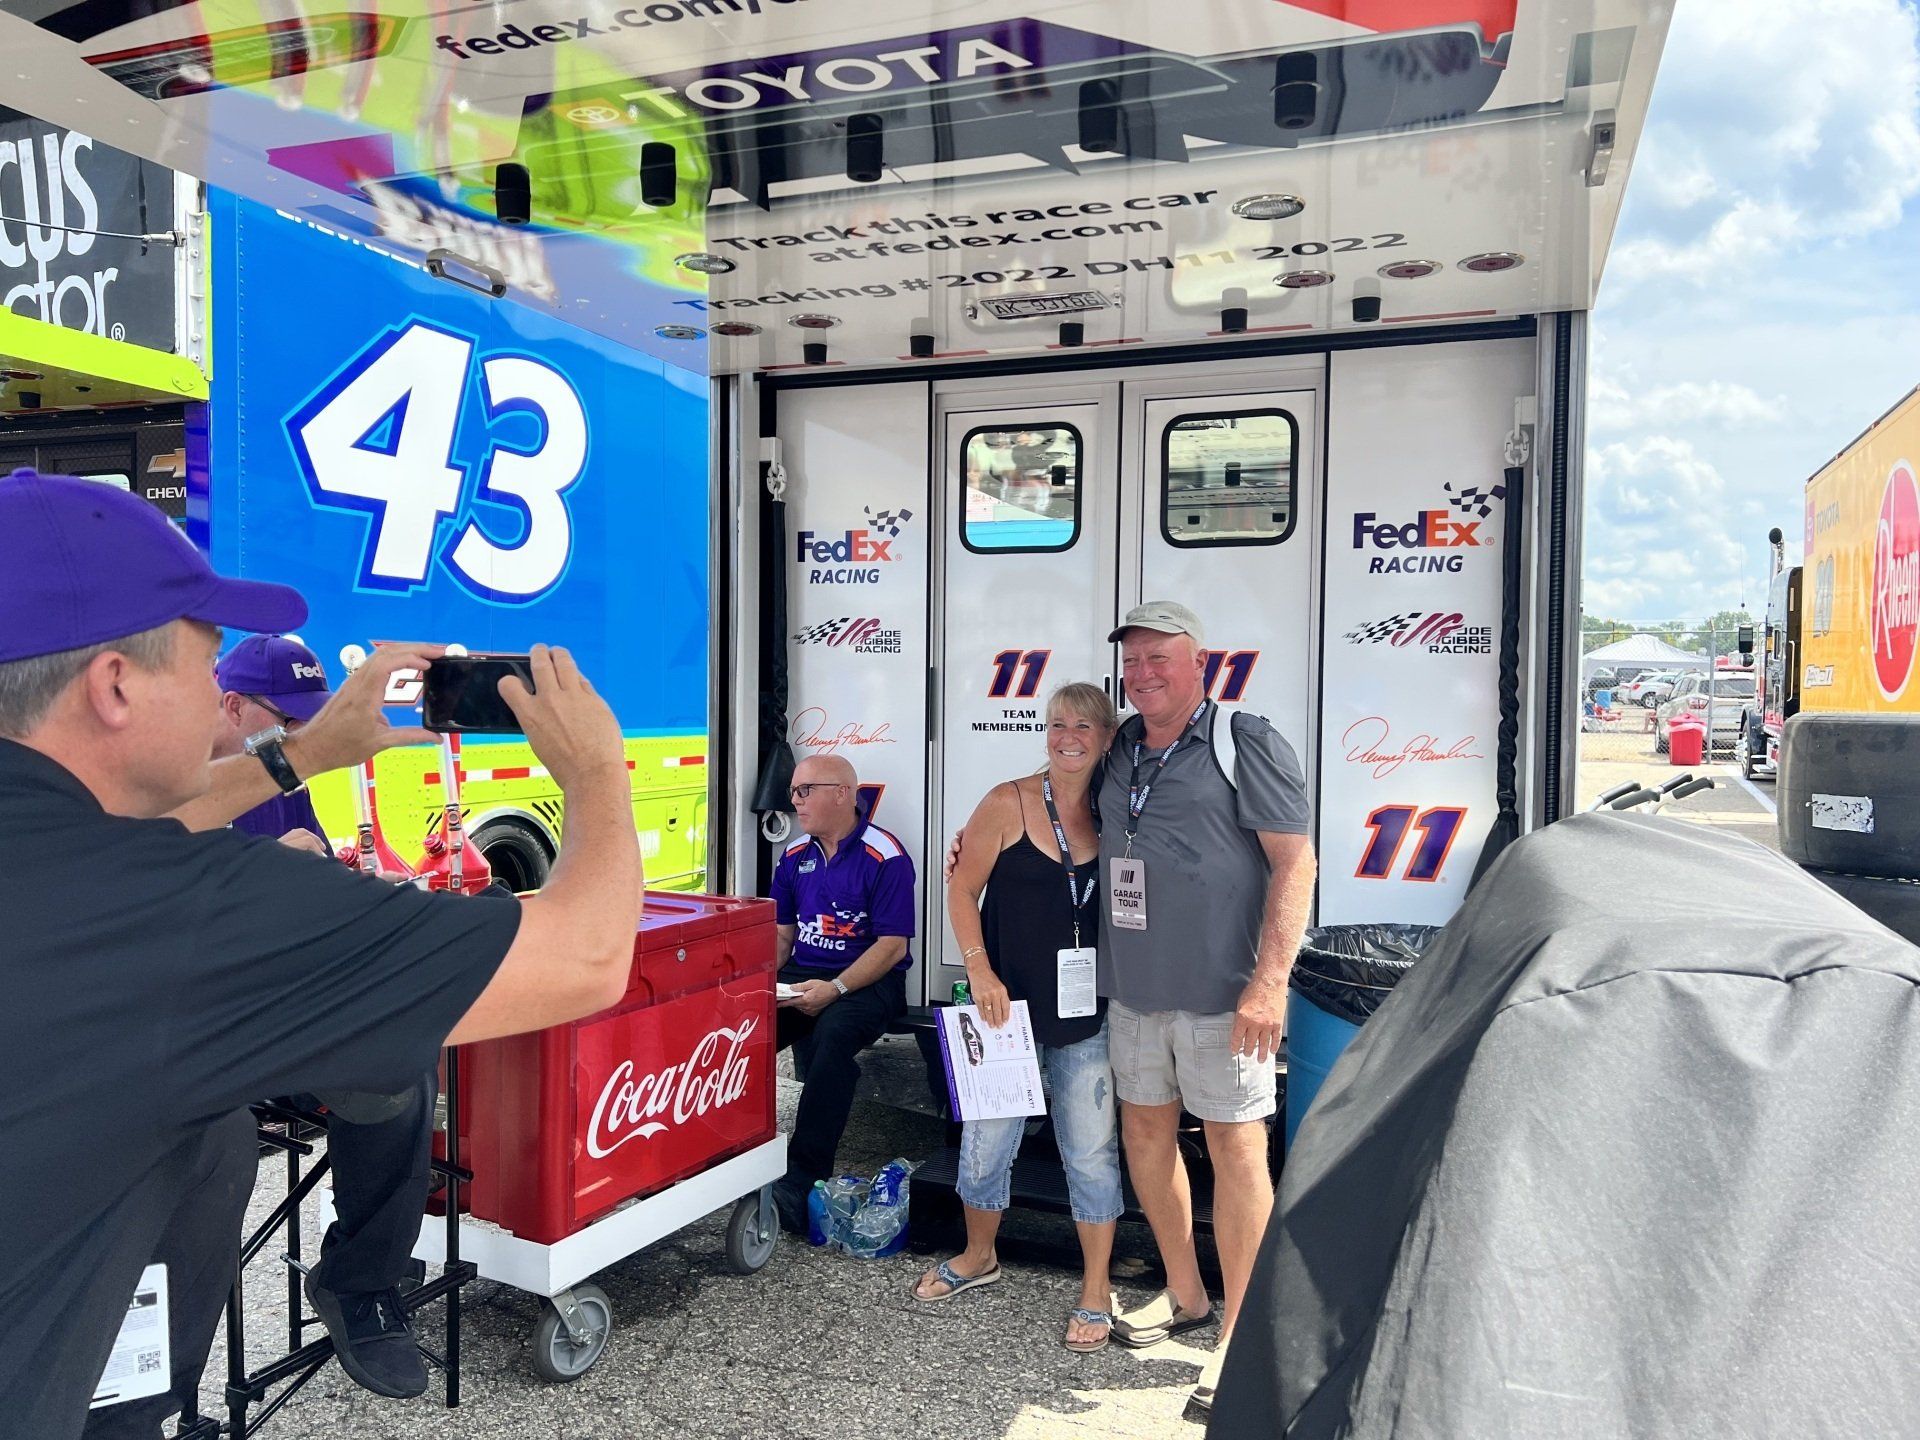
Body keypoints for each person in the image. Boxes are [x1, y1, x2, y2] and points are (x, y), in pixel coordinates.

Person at [0, 470, 643, 1440]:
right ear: (116, 685)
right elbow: (588, 956)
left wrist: (300, 756)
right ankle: (356, 1284)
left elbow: (133, 831)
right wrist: (596, 770)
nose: (219, 693)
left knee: (214, 1141)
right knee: (376, 1076)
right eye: (206, 661)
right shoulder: (184, 914)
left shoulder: (72, 862)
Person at [210, 635, 443, 1400]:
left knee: (413, 1043)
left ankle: (361, 1269)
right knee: (391, 1075)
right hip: (206, 1028)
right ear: (231, 705)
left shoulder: (277, 769)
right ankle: (362, 1274)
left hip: (281, 1002)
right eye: (286, 720)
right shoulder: (167, 778)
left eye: (306, 721)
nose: (299, 737)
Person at [1098, 602, 1317, 1412]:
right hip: (1134, 989)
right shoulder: (1121, 744)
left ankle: (1241, 1336)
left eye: (1160, 657)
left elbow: (1295, 863)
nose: (1143, 673)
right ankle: (1187, 1294)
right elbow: (1056, 802)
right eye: (1132, 660)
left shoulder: (1242, 738)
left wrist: (1270, 982)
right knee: (1145, 1136)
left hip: (1226, 997)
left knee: (1236, 1149)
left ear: (1200, 664)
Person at [913, 682, 1124, 1354]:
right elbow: (961, 889)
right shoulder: (1009, 802)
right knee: (985, 1144)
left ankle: (1097, 1287)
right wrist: (978, 969)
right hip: (1004, 1012)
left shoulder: (1119, 810)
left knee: (1090, 1153)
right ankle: (979, 1256)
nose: (1068, 737)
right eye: (1057, 724)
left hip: (1087, 1013)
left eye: (1083, 726)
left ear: (1107, 738)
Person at [768, 754, 916, 1232]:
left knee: (831, 1040)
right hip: (804, 972)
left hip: (870, 980)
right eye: (793, 791)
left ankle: (801, 1179)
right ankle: (724, 1152)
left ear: (842, 793)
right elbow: (782, 937)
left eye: (805, 790)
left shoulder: (885, 855)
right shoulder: (794, 855)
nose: (795, 801)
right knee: (742, 1030)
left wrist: (834, 988)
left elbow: (893, 947)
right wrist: (755, 986)